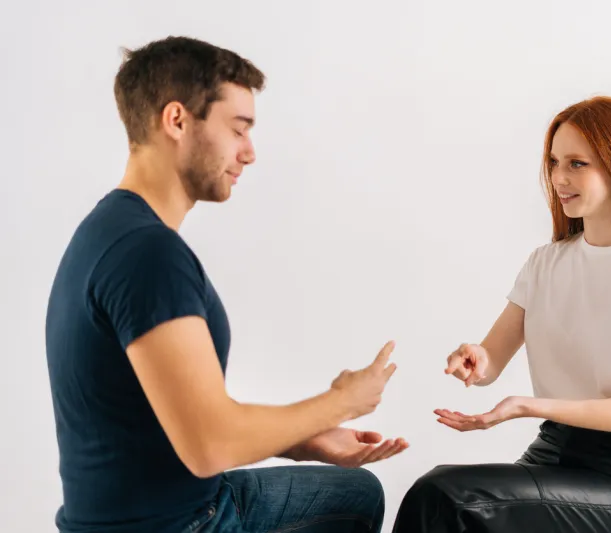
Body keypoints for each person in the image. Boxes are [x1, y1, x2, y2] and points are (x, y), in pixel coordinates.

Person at [45, 36, 408, 533]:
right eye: (238, 130)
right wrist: (343, 400)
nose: (250, 153)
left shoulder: (109, 228)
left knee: (356, 492)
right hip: (174, 524)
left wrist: (303, 439)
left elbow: (171, 416)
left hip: (143, 510)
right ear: (177, 120)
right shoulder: (149, 256)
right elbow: (209, 444)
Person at [392, 96, 611, 533]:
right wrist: (474, 359)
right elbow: (491, 360)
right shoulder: (545, 262)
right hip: (553, 454)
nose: (558, 178)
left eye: (576, 164)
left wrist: (527, 406)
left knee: (445, 497)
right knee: (446, 502)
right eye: (553, 162)